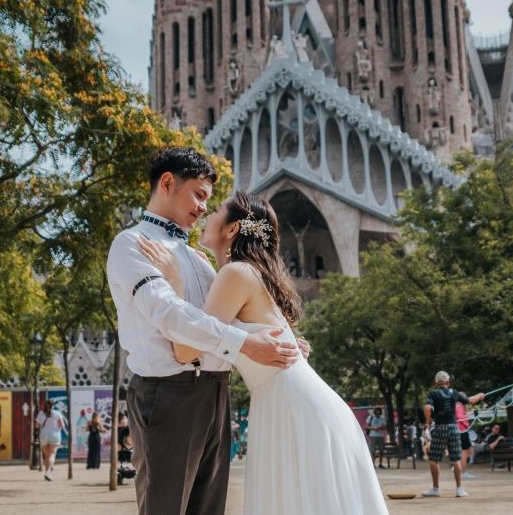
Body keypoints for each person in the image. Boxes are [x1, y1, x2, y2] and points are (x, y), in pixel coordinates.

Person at [137, 189, 388, 515]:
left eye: (215, 211)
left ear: (231, 229)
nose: (207, 215)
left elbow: (185, 350)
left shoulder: (236, 274)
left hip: (290, 406)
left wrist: (173, 279)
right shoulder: (246, 273)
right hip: (291, 401)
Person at [107, 147, 308, 515]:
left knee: (209, 509)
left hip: (216, 391)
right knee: (165, 508)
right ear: (168, 183)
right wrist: (247, 343)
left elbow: (220, 318)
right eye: (199, 195)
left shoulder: (199, 259)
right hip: (169, 395)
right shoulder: (133, 245)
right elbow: (170, 315)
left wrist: (276, 336)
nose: (203, 208)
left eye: (209, 201)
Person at [421, 371, 484, 498]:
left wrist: (428, 422)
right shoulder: (454, 393)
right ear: (448, 382)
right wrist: (480, 395)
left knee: (434, 459)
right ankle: (459, 489)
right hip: (454, 428)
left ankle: (436, 488)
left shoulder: (433, 394)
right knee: (456, 458)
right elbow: (470, 401)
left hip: (440, 428)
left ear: (436, 383)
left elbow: (427, 408)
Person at [35, 400, 65, 481]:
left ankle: (48, 473)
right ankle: (48, 472)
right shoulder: (57, 413)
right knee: (52, 454)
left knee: (46, 455)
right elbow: (62, 425)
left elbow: (37, 426)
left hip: (44, 434)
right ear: (53, 406)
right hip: (55, 434)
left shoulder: (41, 413)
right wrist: (57, 427)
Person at [455, 401, 476, 479]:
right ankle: (462, 472)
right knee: (465, 453)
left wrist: (468, 413)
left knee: (470, 452)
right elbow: (460, 417)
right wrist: (469, 414)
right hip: (462, 431)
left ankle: (457, 467)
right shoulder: (459, 406)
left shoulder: (459, 406)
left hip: (463, 431)